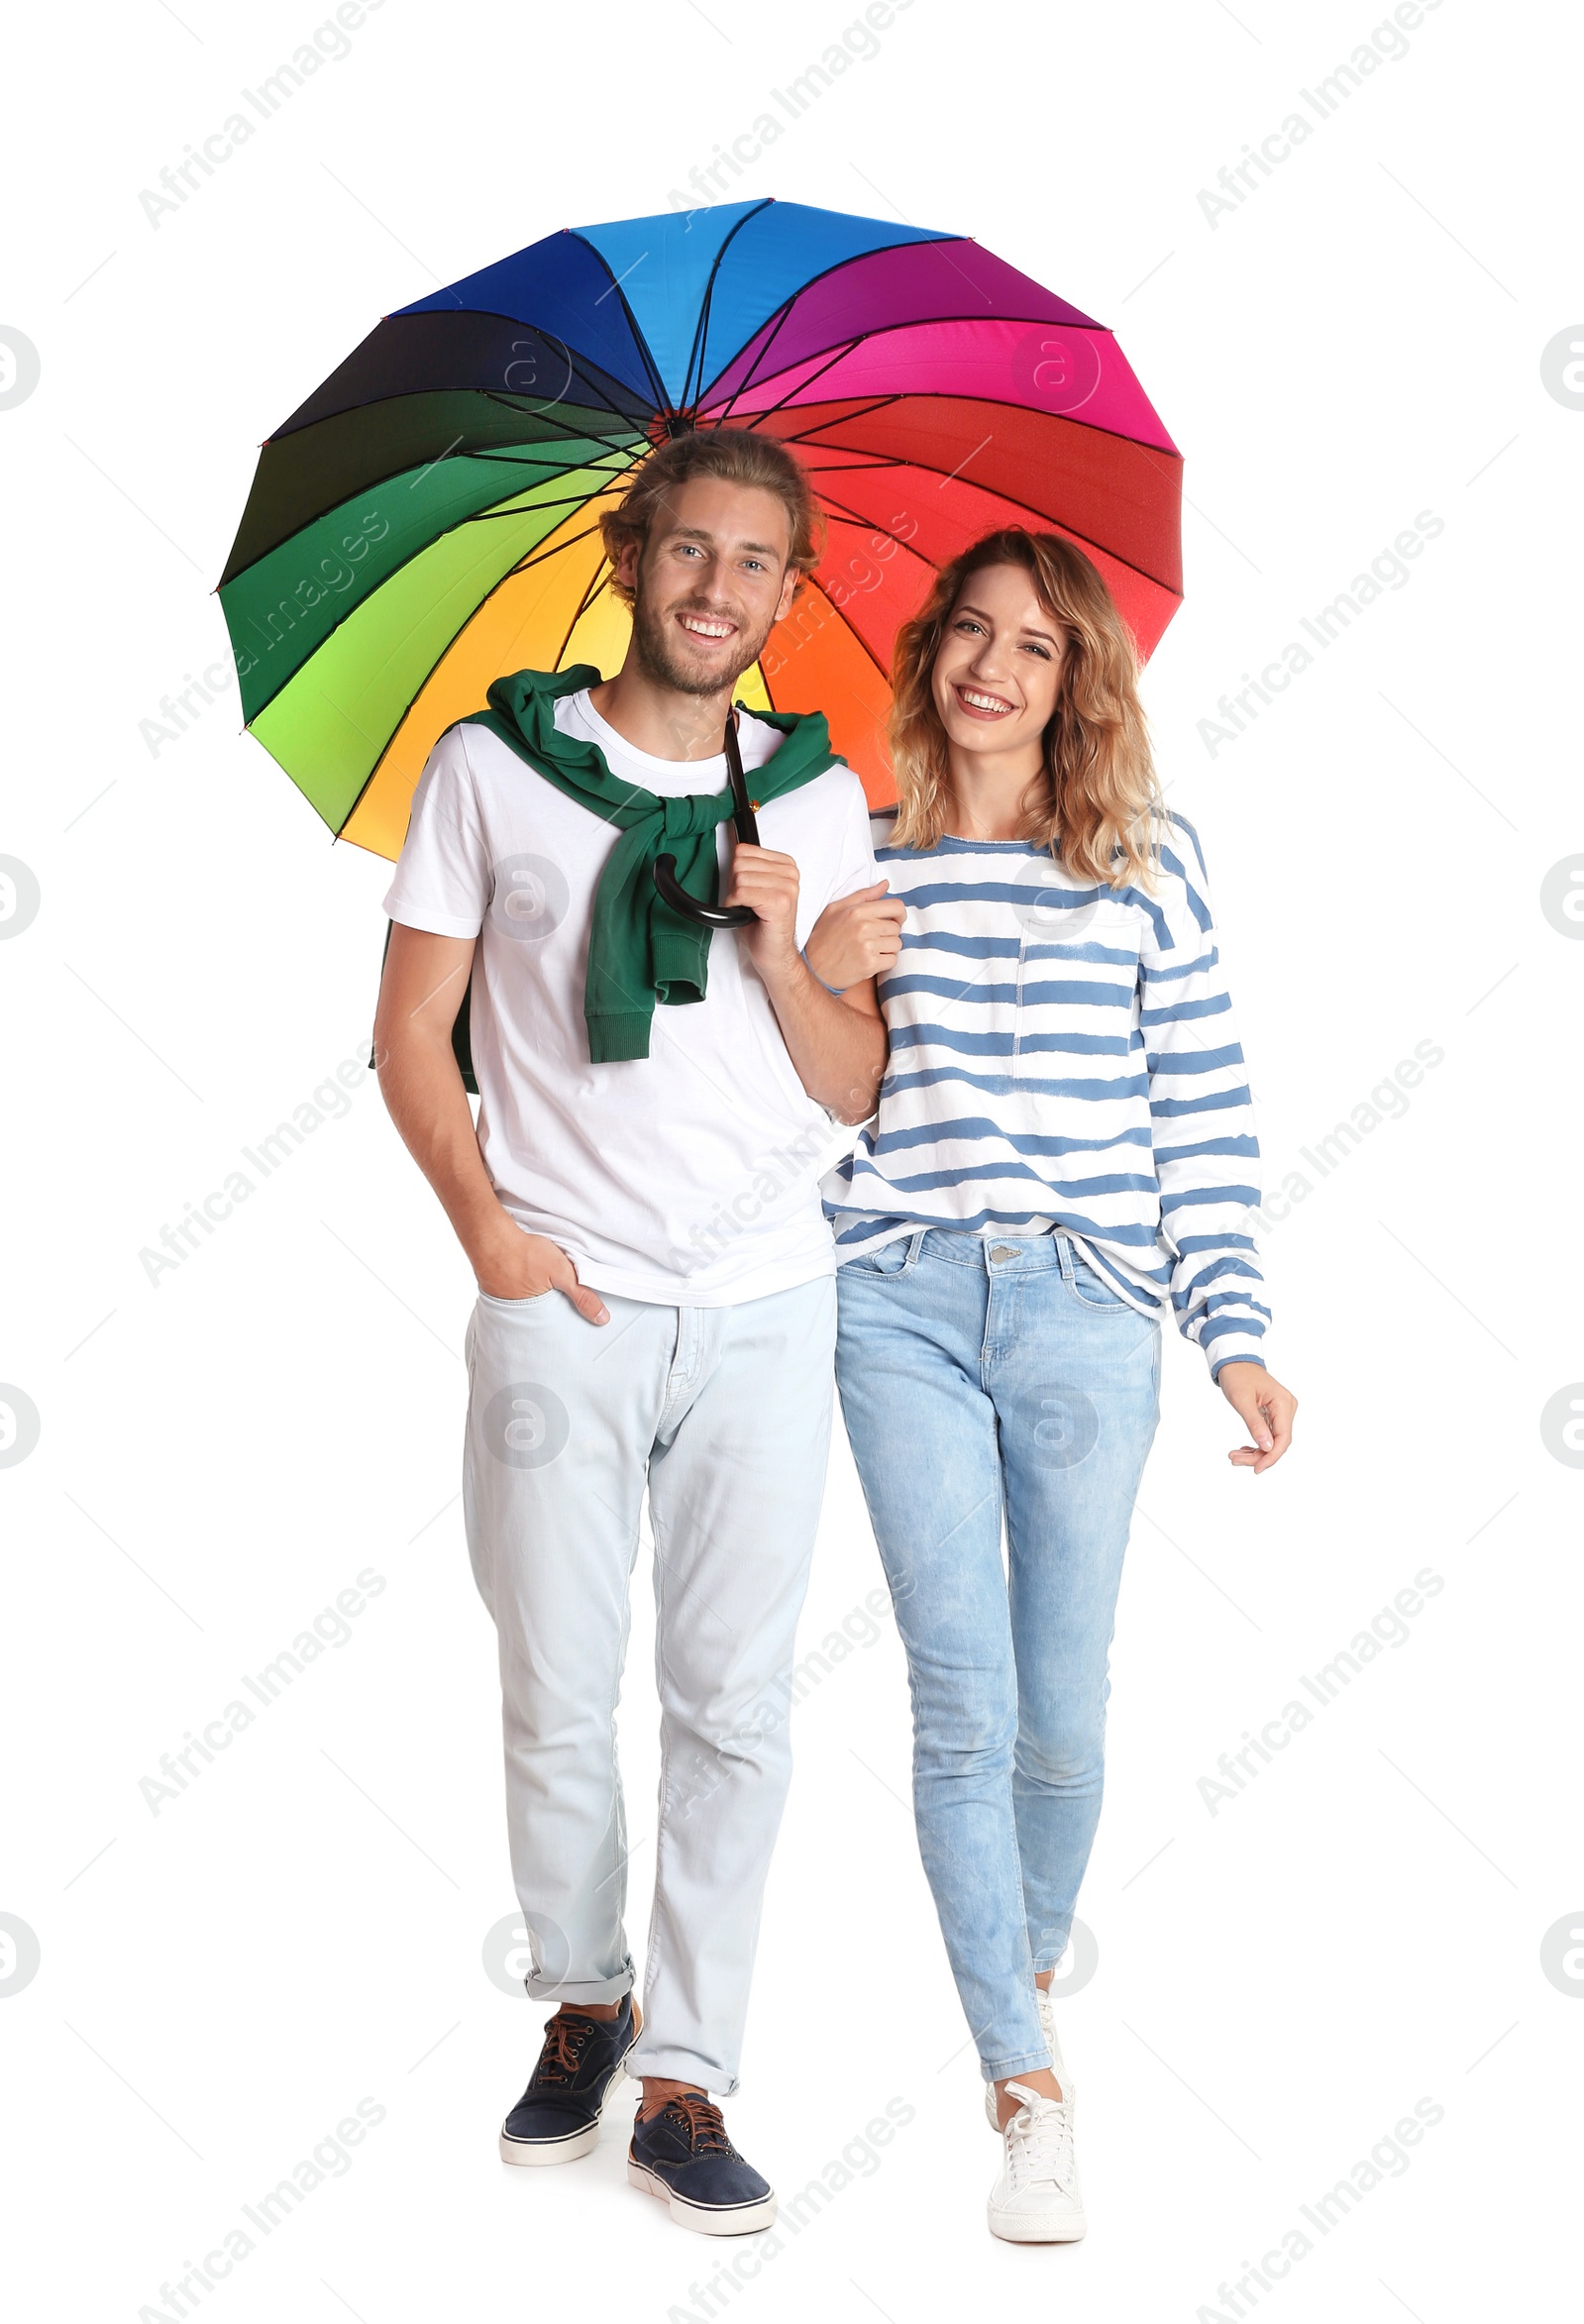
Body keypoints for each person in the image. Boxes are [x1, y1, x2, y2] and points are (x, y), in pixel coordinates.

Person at [372, 426, 884, 2237]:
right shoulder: (493, 769)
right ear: (631, 550)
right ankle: (588, 1996)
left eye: (756, 562)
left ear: (786, 589)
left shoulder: (821, 800)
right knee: (553, 1686)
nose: (717, 588)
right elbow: (408, 1032)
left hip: (766, 1308)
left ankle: (692, 2076)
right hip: (565, 1302)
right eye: (690, 549)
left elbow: (857, 1085)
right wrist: (494, 1239)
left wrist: (783, 946)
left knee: (735, 1702)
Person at [805, 527, 1298, 2244]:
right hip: (898, 1304)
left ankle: (1009, 1955)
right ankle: (1025, 2085)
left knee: (1062, 1709)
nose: (993, 665)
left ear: (1082, 676)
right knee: (961, 1696)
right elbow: (814, 1109)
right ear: (931, 649)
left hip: (1090, 1304)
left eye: (1035, 642)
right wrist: (813, 968)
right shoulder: (855, 850)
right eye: (970, 632)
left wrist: (1232, 1327)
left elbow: (1204, 1113)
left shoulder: (1150, 859)